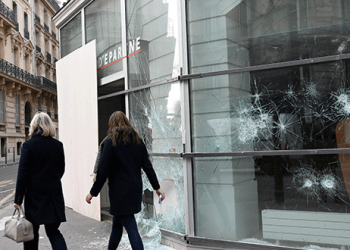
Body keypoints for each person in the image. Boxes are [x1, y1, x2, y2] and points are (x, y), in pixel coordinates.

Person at [86, 111, 165, 250]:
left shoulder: (111, 142)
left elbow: (102, 171)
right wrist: (157, 187)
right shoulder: (138, 141)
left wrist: (92, 192)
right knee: (117, 225)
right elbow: (148, 167)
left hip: (119, 192)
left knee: (130, 226)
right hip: (134, 190)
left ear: (112, 124)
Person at [14, 112, 68, 250]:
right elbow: (61, 169)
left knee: (31, 234)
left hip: (34, 197)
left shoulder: (28, 146)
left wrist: (18, 199)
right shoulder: (58, 145)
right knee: (53, 232)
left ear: (33, 126)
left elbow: (23, 175)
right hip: (53, 196)